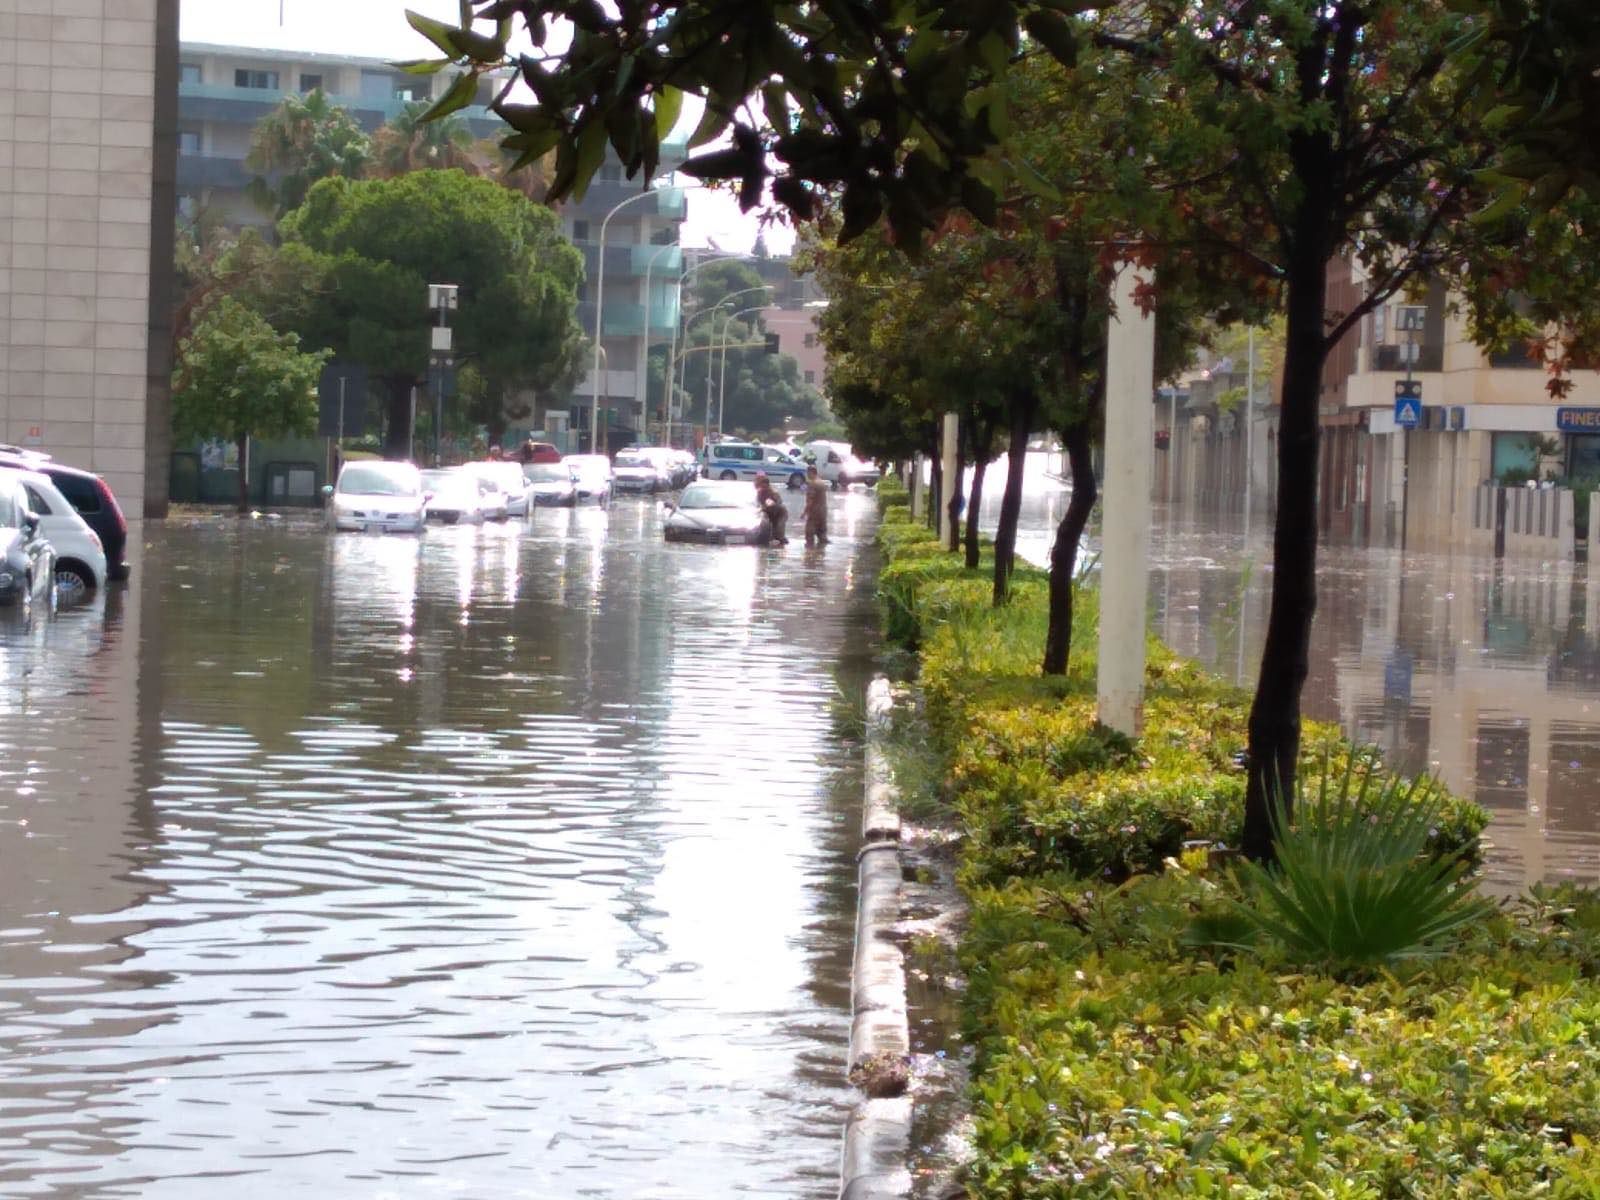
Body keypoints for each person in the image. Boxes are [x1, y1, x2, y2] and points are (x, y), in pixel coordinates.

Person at [753, 471, 787, 545]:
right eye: (762, 487)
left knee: (779, 529)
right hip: (769, 513)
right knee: (767, 532)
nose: (763, 488)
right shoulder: (760, 493)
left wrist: (770, 504)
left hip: (780, 513)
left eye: (765, 487)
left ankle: (782, 542)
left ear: (768, 486)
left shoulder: (773, 492)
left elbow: (778, 502)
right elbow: (759, 504)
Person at [802, 464, 829, 547]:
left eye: (807, 473)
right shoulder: (821, 482)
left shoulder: (813, 484)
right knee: (822, 535)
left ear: (811, 472)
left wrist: (804, 513)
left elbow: (810, 501)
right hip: (823, 511)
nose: (807, 475)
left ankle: (810, 556)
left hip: (814, 511)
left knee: (809, 535)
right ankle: (821, 555)